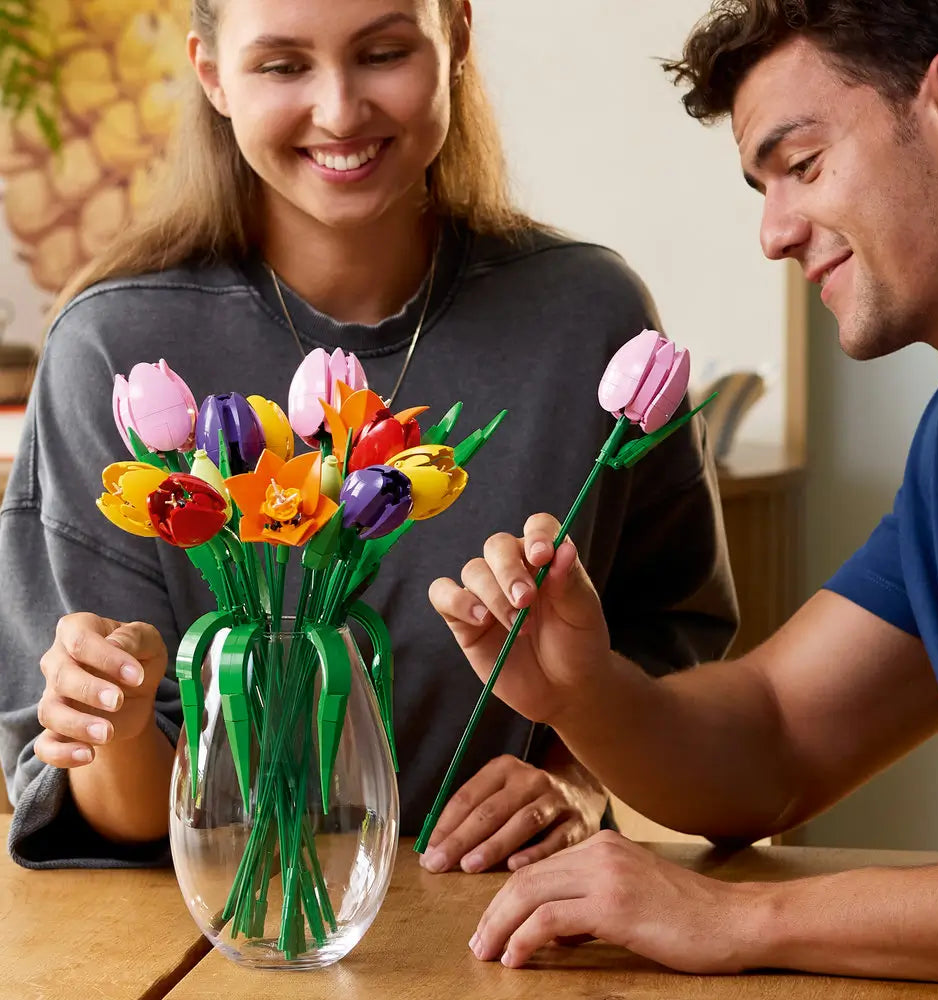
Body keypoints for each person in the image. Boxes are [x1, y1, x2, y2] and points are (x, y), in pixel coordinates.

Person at [0, 0, 736, 871]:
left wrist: (576, 771)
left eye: (383, 52)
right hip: (213, 924)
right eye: (283, 66)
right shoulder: (111, 352)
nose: (341, 111)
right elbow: (114, 810)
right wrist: (112, 723)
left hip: (509, 907)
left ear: (456, 35)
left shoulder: (589, 317)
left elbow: (674, 635)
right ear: (212, 74)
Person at [429, 0, 938, 984]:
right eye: (762, 186)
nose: (773, 234)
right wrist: (581, 691)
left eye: (803, 164)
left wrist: (740, 918)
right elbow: (776, 738)